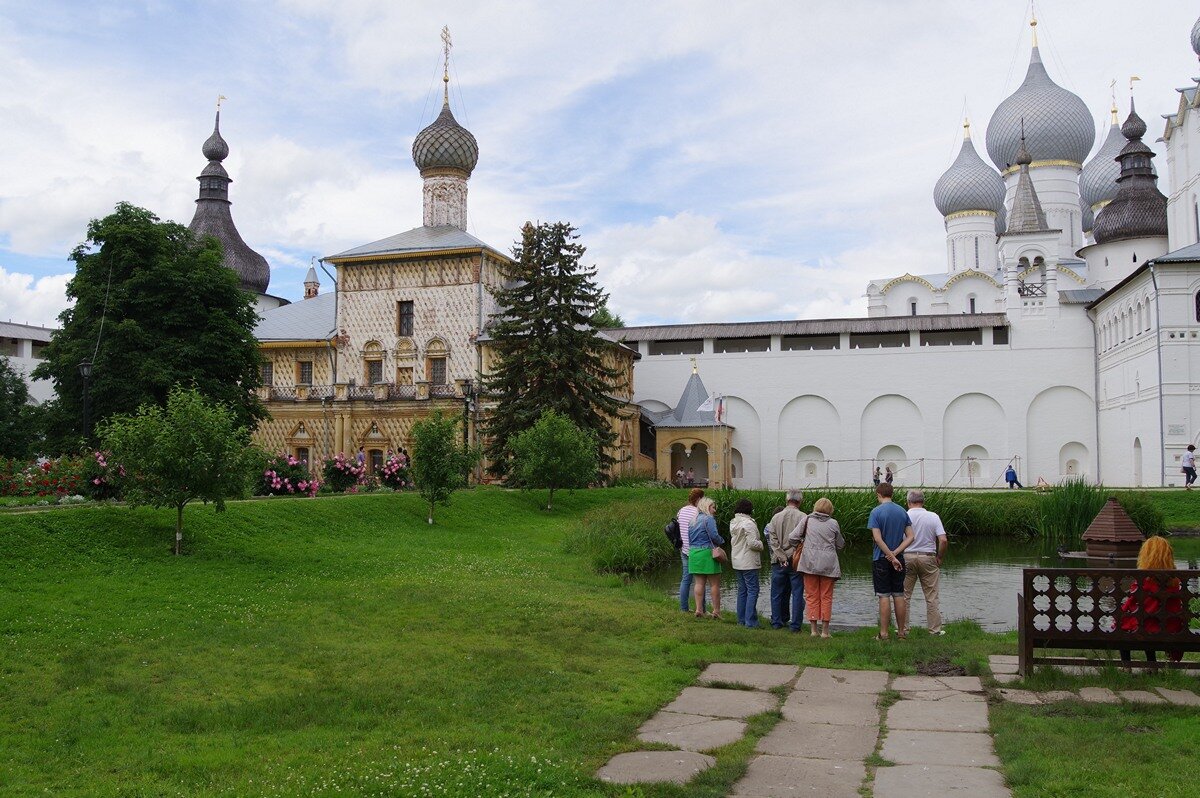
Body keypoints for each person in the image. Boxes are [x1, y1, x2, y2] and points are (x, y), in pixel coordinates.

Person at [1119, 536, 1184, 666]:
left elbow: (1128, 607)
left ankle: (1127, 666)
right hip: (1168, 629)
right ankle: (1152, 665)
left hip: (1146, 628)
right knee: (1149, 623)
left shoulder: (1144, 582)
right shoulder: (1175, 583)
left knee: (1125, 624)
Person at [868, 482, 914, 640]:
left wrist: (889, 555)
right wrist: (896, 554)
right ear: (892, 494)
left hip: (881, 558)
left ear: (879, 495)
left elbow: (877, 538)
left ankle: (884, 634)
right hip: (899, 558)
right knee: (899, 594)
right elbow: (911, 537)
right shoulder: (902, 511)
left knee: (884, 595)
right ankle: (901, 633)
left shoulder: (876, 512)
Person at [795, 497, 845, 638]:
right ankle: (825, 631)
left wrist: (803, 542)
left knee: (811, 596)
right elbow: (840, 544)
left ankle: (813, 630)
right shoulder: (833, 523)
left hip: (809, 563)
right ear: (830, 510)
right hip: (828, 565)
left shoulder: (807, 520)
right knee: (826, 596)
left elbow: (793, 537)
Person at [902, 490, 948, 637]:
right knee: (931, 596)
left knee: (904, 595)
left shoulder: (904, 515)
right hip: (928, 557)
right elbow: (943, 540)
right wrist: (939, 557)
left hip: (907, 556)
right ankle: (934, 630)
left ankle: (903, 629)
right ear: (923, 501)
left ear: (908, 502)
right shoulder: (933, 516)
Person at [767, 490, 806, 631]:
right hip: (797, 560)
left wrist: (782, 557)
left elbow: (773, 541)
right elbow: (804, 540)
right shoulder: (804, 517)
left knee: (776, 593)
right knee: (797, 593)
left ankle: (777, 622)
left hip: (778, 560)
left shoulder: (776, 517)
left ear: (787, 500)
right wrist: (793, 554)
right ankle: (795, 625)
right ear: (800, 501)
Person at [687, 496, 724, 619]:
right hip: (707, 553)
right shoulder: (709, 519)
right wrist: (721, 541)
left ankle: (698, 609)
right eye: (713, 507)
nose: (714, 510)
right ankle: (716, 612)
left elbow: (689, 538)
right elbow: (714, 535)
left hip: (694, 553)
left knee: (699, 583)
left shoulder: (692, 520)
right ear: (707, 507)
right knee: (714, 584)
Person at [729, 498, 763, 628]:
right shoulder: (748, 523)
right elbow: (752, 543)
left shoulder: (733, 522)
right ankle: (751, 622)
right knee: (753, 590)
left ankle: (741, 620)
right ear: (749, 510)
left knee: (742, 590)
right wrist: (762, 544)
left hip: (737, 561)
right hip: (748, 561)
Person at [676, 488, 707, 614]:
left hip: (684, 549)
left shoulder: (681, 511)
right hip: (697, 549)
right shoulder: (698, 513)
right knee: (700, 580)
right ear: (699, 499)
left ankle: (683, 608)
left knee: (686, 579)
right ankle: (702, 609)